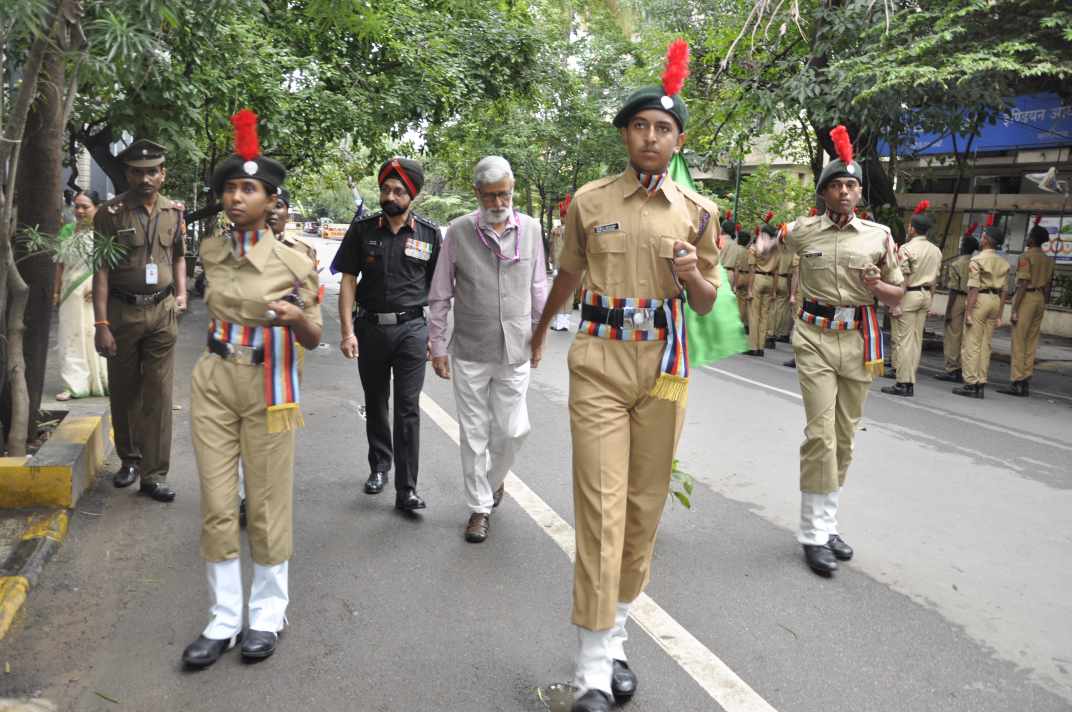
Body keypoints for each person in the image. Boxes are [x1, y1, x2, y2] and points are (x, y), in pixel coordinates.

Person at [531, 41, 720, 712]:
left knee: (643, 510)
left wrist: (692, 274)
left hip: (663, 370)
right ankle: (590, 666)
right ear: (625, 135)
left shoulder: (699, 212)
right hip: (600, 363)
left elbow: (706, 303)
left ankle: (616, 639)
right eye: (639, 125)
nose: (650, 136)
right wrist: (539, 331)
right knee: (601, 508)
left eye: (663, 127)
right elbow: (568, 275)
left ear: (678, 141)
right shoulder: (588, 201)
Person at [182, 109, 322, 667]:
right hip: (215, 381)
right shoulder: (211, 252)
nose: (235, 198)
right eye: (230, 190)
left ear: (270, 200)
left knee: (265, 504)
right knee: (218, 504)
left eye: (248, 190)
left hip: (268, 387)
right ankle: (222, 619)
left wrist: (295, 317)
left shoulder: (294, 263)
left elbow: (314, 337)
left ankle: (266, 614)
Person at [780, 125, 904, 576]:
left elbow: (897, 295)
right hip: (813, 338)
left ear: (859, 192)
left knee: (845, 437)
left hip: (858, 342)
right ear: (824, 192)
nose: (846, 191)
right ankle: (812, 534)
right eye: (837, 185)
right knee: (821, 434)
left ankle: (828, 524)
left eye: (852, 185)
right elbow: (769, 248)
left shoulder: (879, 236)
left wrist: (878, 285)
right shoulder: (802, 232)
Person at [428, 156, 548, 543]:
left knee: (514, 430)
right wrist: (437, 345)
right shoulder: (459, 231)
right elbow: (440, 293)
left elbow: (538, 286)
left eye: (505, 194)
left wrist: (540, 335)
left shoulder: (531, 229)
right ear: (476, 193)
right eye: (491, 196)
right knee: (474, 432)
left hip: (516, 347)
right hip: (470, 348)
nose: (499, 203)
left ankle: (493, 480)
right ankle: (479, 507)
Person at [332, 157, 441, 511]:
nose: (389, 196)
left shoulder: (429, 234)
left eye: (397, 191)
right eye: (385, 189)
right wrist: (347, 331)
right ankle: (379, 467)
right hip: (371, 329)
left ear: (412, 196)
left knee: (408, 408)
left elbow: (439, 290)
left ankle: (406, 489)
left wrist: (435, 336)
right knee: (376, 401)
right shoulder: (363, 230)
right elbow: (348, 280)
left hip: (412, 330)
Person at [92, 139, 187, 502]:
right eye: (137, 172)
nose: (145, 178)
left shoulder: (174, 212)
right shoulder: (110, 213)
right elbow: (101, 270)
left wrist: (181, 293)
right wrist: (101, 324)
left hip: (163, 311)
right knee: (124, 390)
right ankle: (129, 460)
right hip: (122, 312)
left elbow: (179, 256)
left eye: (152, 172)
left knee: (159, 393)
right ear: (128, 174)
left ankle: (154, 474)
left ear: (163, 174)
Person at [881, 200, 942, 397]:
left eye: (909, 226)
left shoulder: (906, 249)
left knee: (903, 340)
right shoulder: (935, 250)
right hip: (926, 295)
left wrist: (896, 302)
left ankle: (903, 383)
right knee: (916, 341)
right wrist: (930, 300)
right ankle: (909, 380)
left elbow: (904, 278)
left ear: (913, 229)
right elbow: (935, 280)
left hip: (909, 295)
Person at [54, 190, 109, 401]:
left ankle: (100, 381)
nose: (79, 211)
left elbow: (111, 265)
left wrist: (98, 287)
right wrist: (56, 291)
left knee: (93, 334)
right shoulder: (67, 231)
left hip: (95, 294)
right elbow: (60, 265)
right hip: (70, 293)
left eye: (85, 207)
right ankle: (74, 384)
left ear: (97, 208)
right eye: (77, 206)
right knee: (70, 336)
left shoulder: (104, 232)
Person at [952, 215, 1009, 399]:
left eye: (983, 236)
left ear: (986, 240)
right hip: (995, 300)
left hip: (980, 300)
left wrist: (968, 312)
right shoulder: (1003, 262)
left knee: (971, 343)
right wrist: (1000, 314)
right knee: (986, 344)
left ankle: (971, 383)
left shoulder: (977, 260)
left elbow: (974, 287)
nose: (981, 238)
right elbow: (1005, 290)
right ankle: (981, 381)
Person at [997, 219, 1055, 397]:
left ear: (1033, 239)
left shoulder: (1026, 257)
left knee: (1019, 340)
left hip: (1026, 298)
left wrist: (1015, 309)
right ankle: (1025, 380)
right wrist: (1043, 302)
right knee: (1031, 341)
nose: (1027, 238)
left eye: (1029, 235)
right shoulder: (1048, 259)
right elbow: (1048, 286)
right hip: (1039, 299)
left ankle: (1016, 381)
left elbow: (1023, 283)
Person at [934, 229, 978, 383]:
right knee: (968, 336)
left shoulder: (956, 264)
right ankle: (965, 368)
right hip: (974, 299)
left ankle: (952, 368)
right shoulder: (976, 263)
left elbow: (953, 290)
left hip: (959, 298)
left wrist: (948, 311)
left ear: (963, 247)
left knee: (953, 334)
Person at [745, 215, 782, 356]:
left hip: (758, 279)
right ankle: (761, 347)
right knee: (764, 315)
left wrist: (749, 289)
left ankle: (753, 347)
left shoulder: (755, 248)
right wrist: (774, 290)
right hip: (771, 280)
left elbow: (752, 269)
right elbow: (777, 272)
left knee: (754, 314)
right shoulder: (777, 251)